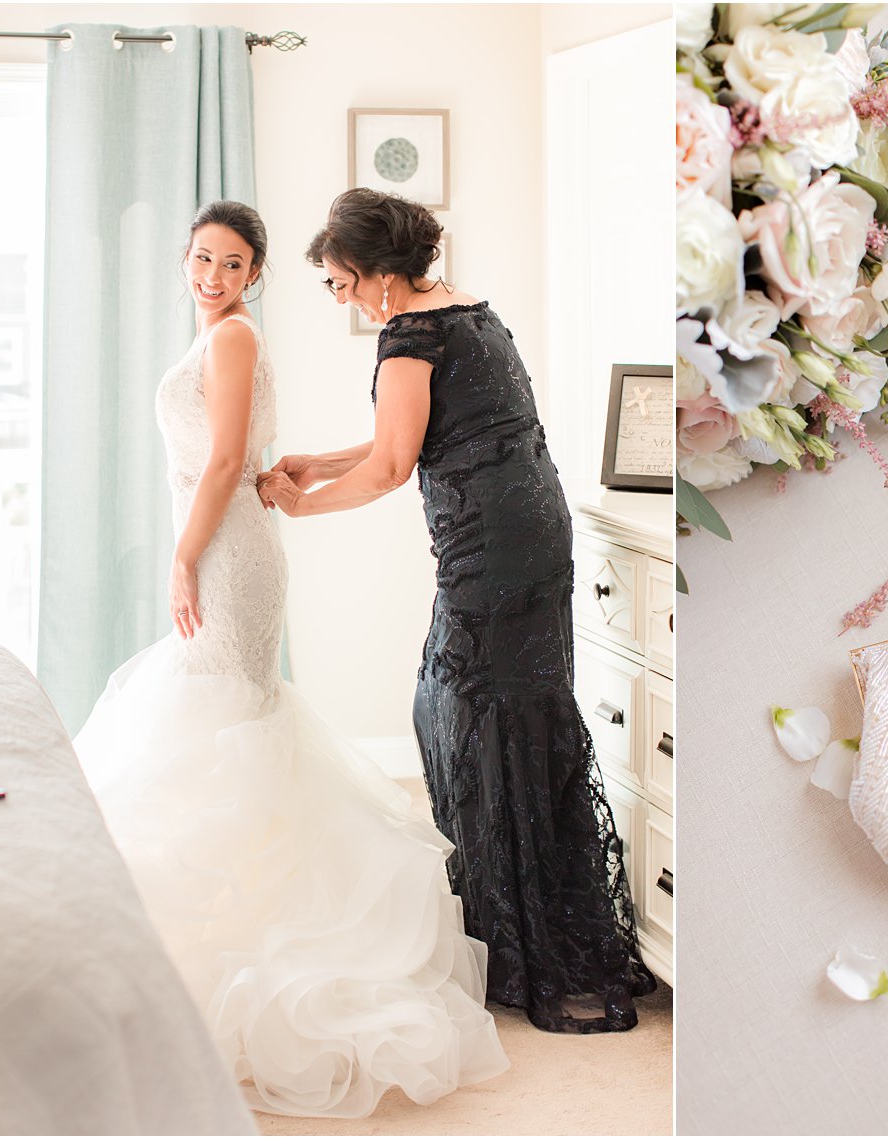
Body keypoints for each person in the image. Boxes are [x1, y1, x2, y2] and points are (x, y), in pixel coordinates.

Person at [73, 200, 508, 1118]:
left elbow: (228, 459)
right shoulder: (218, 338)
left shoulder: (232, 341)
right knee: (220, 725)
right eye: (201, 259)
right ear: (183, 260)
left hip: (229, 553)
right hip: (228, 544)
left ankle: (247, 939)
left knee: (217, 722)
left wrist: (184, 556)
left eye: (232, 264)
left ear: (255, 275)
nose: (212, 276)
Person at [258, 187, 656, 1033]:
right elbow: (423, 434)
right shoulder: (466, 311)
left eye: (339, 283)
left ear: (378, 279)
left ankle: (514, 942)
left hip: (492, 549)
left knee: (464, 713)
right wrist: (318, 462)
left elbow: (396, 463)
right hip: (534, 534)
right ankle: (530, 928)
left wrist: (304, 506)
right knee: (508, 714)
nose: (342, 300)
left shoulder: (408, 337)